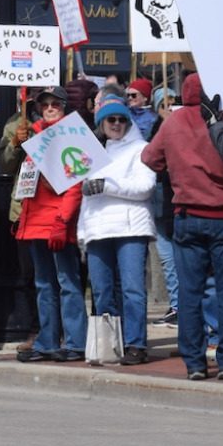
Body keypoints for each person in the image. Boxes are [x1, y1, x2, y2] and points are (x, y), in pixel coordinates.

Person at [141, 72, 223, 381]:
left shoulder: (173, 123)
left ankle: (195, 363)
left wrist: (173, 167)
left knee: (190, 293)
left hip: (187, 215)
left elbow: (149, 157)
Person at [11, 86, 87, 362]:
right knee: (44, 284)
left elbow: (75, 186)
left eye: (56, 103)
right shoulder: (32, 136)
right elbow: (27, 180)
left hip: (56, 223)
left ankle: (76, 342)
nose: (50, 108)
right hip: (35, 222)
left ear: (65, 107)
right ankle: (48, 341)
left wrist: (62, 221)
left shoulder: (72, 136)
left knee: (67, 283)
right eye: (45, 105)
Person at [78, 96, 156, 365]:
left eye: (122, 118)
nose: (117, 123)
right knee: (101, 290)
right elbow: (85, 198)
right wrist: (81, 233)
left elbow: (145, 187)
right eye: (111, 119)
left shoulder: (140, 148)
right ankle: (110, 343)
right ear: (101, 123)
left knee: (133, 289)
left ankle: (136, 343)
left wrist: (107, 186)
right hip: (98, 228)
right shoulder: (93, 153)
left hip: (130, 227)